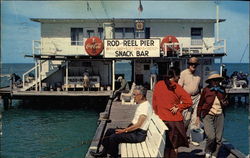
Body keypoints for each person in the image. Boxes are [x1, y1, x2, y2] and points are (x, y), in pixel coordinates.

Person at [90, 85, 153, 158]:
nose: (133, 97)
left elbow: (138, 125)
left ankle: (114, 156)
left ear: (141, 96)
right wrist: (125, 130)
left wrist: (124, 131)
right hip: (134, 131)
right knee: (110, 131)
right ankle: (104, 152)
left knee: (114, 137)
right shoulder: (143, 104)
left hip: (138, 134)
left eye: (134, 95)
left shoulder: (145, 107)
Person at [153, 67, 192, 158]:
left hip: (161, 119)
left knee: (166, 145)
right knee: (174, 146)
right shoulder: (176, 87)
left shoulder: (158, 84)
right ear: (175, 76)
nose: (179, 78)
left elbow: (154, 103)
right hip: (174, 121)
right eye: (178, 76)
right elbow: (189, 102)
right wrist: (178, 107)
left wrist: (157, 114)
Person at [196, 71, 228, 158]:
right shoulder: (206, 90)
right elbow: (200, 104)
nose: (216, 82)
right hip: (208, 115)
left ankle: (214, 154)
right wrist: (198, 116)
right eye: (214, 80)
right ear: (210, 81)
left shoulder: (222, 90)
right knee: (211, 136)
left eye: (217, 80)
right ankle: (208, 150)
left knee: (219, 139)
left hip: (220, 115)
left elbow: (226, 102)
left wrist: (225, 103)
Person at [178, 57, 201, 145]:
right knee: (186, 119)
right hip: (186, 99)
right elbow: (179, 88)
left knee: (195, 118)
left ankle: (193, 139)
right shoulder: (183, 73)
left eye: (195, 64)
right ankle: (183, 137)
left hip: (197, 97)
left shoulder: (199, 74)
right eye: (191, 64)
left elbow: (200, 86)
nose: (193, 66)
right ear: (189, 65)